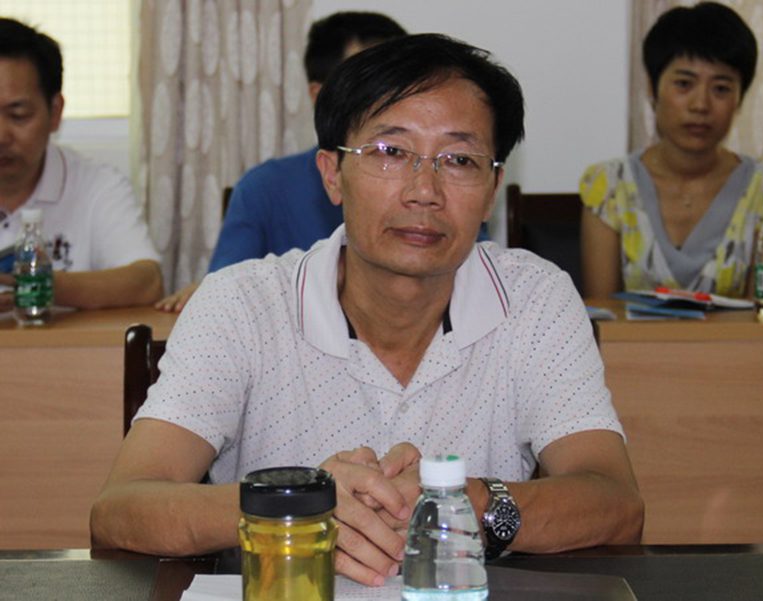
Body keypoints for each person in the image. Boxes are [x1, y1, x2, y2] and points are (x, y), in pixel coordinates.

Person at [91, 33, 643, 586]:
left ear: (493, 187)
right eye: (390, 153)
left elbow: (615, 503)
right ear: (332, 174)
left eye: (459, 160)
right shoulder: (241, 304)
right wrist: (293, 506)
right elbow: (121, 510)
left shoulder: (535, 299)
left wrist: (469, 503)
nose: (424, 191)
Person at [155, 11, 407, 312]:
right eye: (370, 87)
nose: (391, 102)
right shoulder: (264, 187)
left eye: (403, 85)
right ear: (320, 96)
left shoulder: (434, 182)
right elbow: (226, 294)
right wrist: (210, 292)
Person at [580, 1, 763, 299]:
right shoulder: (609, 187)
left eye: (721, 88)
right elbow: (600, 314)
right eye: (684, 84)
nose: (700, 105)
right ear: (652, 89)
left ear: (740, 99)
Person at [0, 18, 162, 311]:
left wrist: (42, 285)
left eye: (18, 115)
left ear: (55, 112)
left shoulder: (97, 186)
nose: (2, 136)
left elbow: (147, 281)